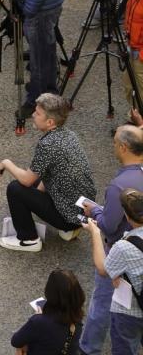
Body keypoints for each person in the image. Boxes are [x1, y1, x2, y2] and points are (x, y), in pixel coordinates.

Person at [0, 93, 96, 252]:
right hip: (83, 208)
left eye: (37, 113)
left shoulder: (48, 144)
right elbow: (50, 171)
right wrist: (36, 197)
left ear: (50, 122)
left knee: (16, 188)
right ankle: (70, 229)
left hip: (68, 215)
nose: (33, 115)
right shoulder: (69, 135)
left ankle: (28, 239)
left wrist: (6, 163)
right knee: (34, 180)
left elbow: (27, 181)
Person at [77, 125, 143, 355]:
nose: (113, 146)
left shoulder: (119, 186)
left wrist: (95, 213)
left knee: (103, 304)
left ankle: (89, 348)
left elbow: (108, 225)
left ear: (124, 147)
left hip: (119, 255)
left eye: (115, 143)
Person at [84, 188, 143, 354]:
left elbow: (103, 269)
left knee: (125, 347)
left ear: (126, 215)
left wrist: (95, 233)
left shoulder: (124, 247)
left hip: (131, 311)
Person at [10, 269, 85, 355]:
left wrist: (38, 317)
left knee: (21, 348)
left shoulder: (38, 322)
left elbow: (15, 341)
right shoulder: (77, 319)